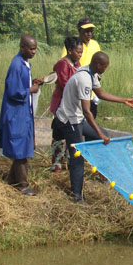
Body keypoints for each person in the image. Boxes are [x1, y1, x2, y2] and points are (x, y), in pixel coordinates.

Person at [52, 51, 133, 202]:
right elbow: (87, 111)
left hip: (77, 118)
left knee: (103, 135)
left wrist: (124, 100)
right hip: (69, 120)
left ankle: (102, 173)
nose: (106, 69)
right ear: (98, 65)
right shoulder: (84, 78)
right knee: (78, 156)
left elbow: (101, 93)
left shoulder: (91, 73)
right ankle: (77, 196)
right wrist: (99, 133)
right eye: (105, 66)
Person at [0, 34, 43, 195]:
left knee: (22, 146)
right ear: (22, 47)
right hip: (16, 113)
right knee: (21, 149)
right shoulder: (16, 65)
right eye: (31, 48)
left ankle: (12, 180)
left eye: (35, 48)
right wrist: (30, 90)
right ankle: (22, 185)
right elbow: (13, 91)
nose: (34, 51)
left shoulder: (25, 64)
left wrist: (33, 83)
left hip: (23, 112)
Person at [50, 36, 83, 172]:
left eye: (81, 52)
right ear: (70, 51)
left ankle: (69, 161)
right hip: (61, 104)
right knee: (59, 134)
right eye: (78, 52)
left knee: (71, 136)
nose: (80, 55)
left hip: (72, 106)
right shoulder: (62, 64)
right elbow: (65, 84)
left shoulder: (77, 65)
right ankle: (57, 163)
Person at [61, 18, 101, 118]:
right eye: (86, 31)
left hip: (91, 87)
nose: (89, 33)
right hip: (78, 87)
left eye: (91, 31)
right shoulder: (74, 45)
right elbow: (65, 64)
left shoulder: (95, 44)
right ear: (79, 30)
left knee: (91, 116)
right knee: (79, 118)